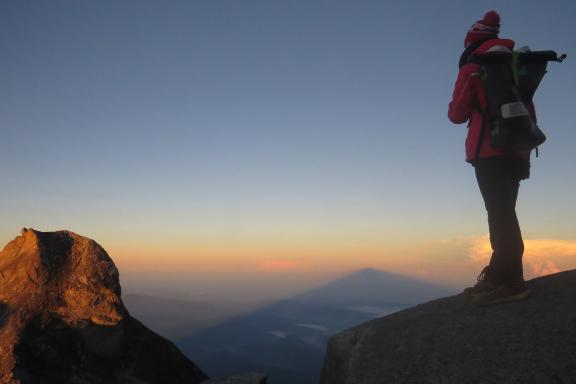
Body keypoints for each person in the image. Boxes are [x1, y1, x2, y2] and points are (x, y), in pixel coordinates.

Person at [448, 10, 532, 305]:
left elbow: (456, 114)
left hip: (489, 150)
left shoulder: (474, 66)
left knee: (499, 213)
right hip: (518, 147)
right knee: (504, 210)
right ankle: (500, 274)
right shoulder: (515, 63)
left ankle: (510, 281)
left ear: (471, 40)